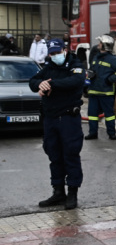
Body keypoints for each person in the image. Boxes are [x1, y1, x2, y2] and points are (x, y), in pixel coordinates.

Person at [29, 38, 86, 210]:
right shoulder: (49, 67)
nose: (55, 56)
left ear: (65, 50)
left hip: (68, 118)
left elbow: (75, 82)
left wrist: (51, 83)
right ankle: (58, 192)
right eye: (52, 53)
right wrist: (41, 83)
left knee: (71, 154)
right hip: (51, 119)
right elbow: (33, 81)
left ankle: (72, 193)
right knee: (54, 155)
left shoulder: (75, 65)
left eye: (57, 52)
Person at [84, 35, 116, 141]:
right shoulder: (96, 57)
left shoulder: (112, 59)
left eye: (100, 43)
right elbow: (92, 70)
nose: (98, 44)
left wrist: (110, 80)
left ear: (105, 45)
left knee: (109, 115)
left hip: (106, 92)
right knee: (92, 115)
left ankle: (111, 133)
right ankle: (93, 133)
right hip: (93, 91)